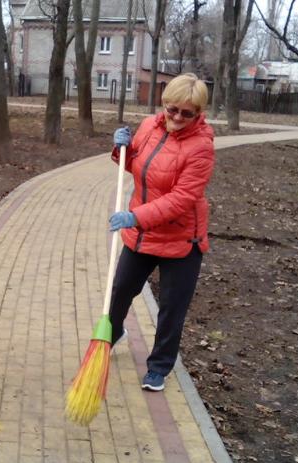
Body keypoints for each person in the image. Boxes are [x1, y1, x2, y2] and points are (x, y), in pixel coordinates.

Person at [108, 73, 215, 392]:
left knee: (171, 306)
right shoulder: (150, 127)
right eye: (173, 110)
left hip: (182, 239)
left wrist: (134, 216)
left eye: (188, 113)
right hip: (142, 232)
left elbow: (181, 200)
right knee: (122, 287)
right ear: (164, 104)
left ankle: (159, 366)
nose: (178, 118)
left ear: (198, 114)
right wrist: (120, 149)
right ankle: (111, 334)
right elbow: (135, 165)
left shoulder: (201, 148)